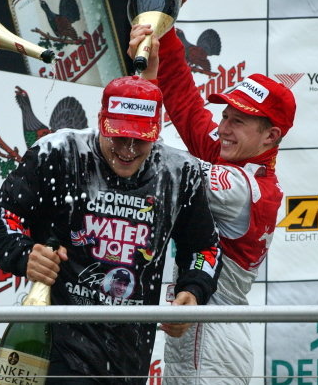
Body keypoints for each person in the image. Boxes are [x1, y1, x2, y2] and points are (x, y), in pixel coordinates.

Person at [0, 75, 223, 384]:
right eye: (119, 136)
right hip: (57, 343)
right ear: (101, 121)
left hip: (130, 355)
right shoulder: (59, 151)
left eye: (141, 138)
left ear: (157, 133)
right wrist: (24, 254)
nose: (129, 149)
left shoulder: (179, 172)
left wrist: (192, 290)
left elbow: (204, 247)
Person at [128, 21, 296, 384]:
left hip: (212, 341)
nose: (223, 127)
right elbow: (188, 107)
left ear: (271, 136)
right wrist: (165, 29)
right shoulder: (231, 159)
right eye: (224, 115)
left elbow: (152, 163)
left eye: (238, 121)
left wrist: (147, 79)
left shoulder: (238, 185)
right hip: (200, 328)